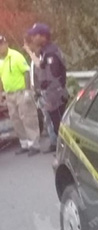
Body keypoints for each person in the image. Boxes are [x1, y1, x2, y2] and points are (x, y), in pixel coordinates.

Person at [27, 23, 67, 153]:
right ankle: (62, 148)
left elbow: (54, 78)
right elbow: (40, 66)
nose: (32, 38)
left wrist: (51, 98)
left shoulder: (51, 53)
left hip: (55, 96)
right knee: (56, 125)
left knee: (60, 125)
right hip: (52, 95)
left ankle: (66, 151)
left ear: (43, 36)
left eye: (35, 35)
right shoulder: (45, 52)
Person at [0, 34, 41, 155]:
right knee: (15, 119)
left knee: (28, 118)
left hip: (21, 92)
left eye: (2, 44)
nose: (0, 47)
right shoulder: (1, 61)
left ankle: (34, 144)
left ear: (6, 44)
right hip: (9, 94)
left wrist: (28, 91)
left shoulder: (16, 56)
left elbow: (26, 72)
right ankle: (24, 143)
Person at [23, 34, 56, 149]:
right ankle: (53, 141)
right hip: (38, 92)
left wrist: (40, 90)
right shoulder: (33, 60)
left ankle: (55, 142)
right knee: (46, 118)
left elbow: (43, 74)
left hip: (44, 92)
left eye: (28, 45)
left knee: (50, 118)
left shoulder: (42, 57)